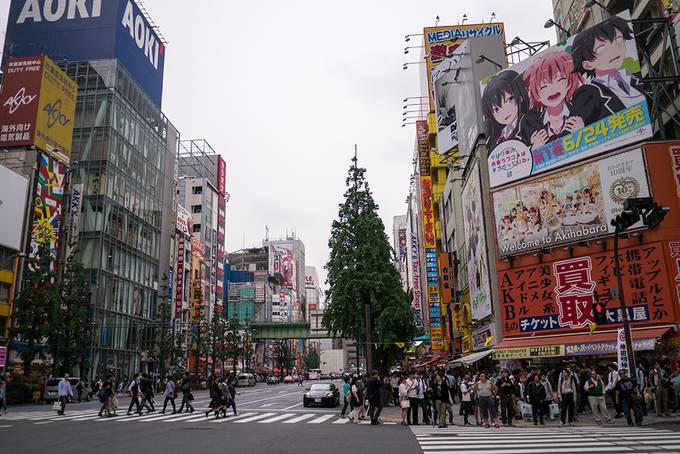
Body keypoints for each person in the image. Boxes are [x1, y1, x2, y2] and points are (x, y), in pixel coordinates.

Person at [571, 15, 647, 124]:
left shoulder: (635, 77)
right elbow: (573, 131)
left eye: (618, 39)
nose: (615, 48)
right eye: (601, 48)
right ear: (587, 65)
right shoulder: (589, 93)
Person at [521, 50, 585, 149]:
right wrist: (535, 148)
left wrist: (583, 131)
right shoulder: (533, 124)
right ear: (536, 93)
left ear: (570, 81)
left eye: (560, 80)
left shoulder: (580, 111)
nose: (552, 89)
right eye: (543, 86)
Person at [482, 69, 531, 152]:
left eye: (509, 100)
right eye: (496, 109)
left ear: (520, 95)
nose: (504, 112)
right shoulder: (497, 137)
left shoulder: (529, 122)